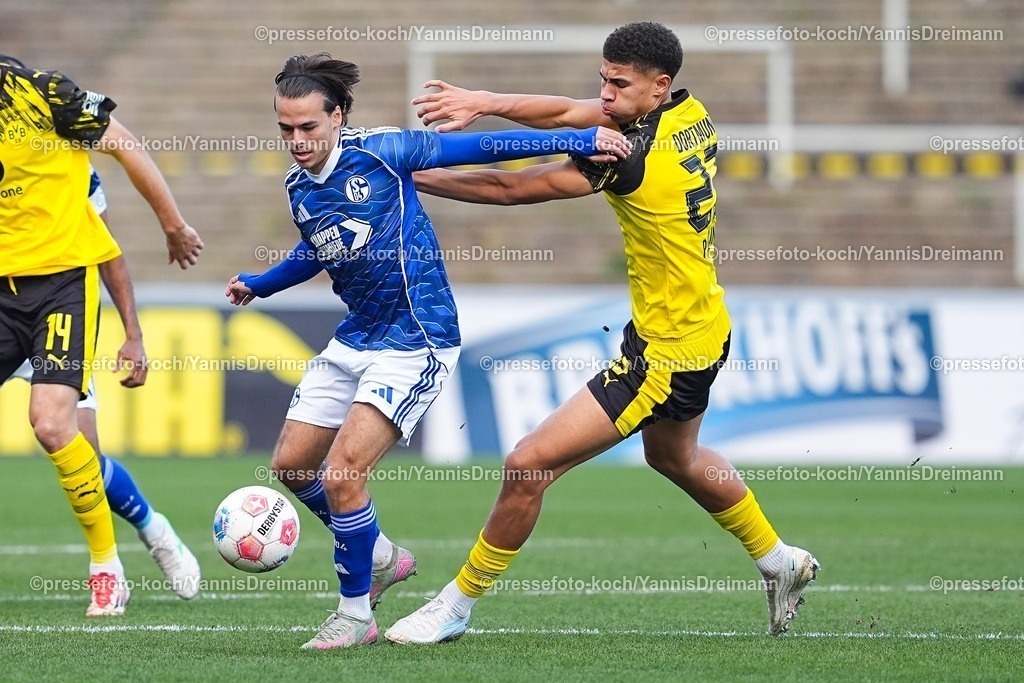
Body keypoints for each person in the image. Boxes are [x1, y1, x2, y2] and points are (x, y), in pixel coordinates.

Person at [385, 22, 819, 644]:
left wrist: (406, 176)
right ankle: (780, 561)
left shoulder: (632, 158)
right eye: (604, 80)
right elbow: (568, 111)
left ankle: (454, 606)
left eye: (619, 85)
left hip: (667, 355)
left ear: (657, 86)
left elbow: (511, 187)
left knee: (527, 465)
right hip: (698, 328)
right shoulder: (689, 111)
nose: (606, 95)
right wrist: (482, 100)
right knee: (675, 456)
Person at [225, 52, 629, 650]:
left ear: (337, 117)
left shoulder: (384, 151)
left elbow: (480, 152)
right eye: (286, 129)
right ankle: (382, 555)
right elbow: (318, 248)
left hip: (416, 337)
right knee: (291, 467)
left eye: (308, 127)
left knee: (343, 473)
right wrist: (260, 283)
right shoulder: (297, 185)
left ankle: (355, 615)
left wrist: (582, 136)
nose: (297, 141)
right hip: (356, 334)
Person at [0, 55, 203, 616]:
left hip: (58, 291)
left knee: (62, 434)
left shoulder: (47, 104)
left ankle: (138, 540)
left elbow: (107, 247)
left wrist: (133, 333)